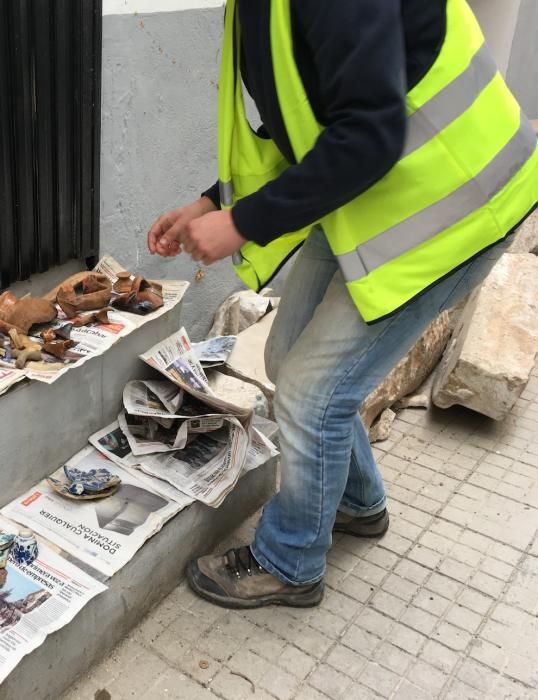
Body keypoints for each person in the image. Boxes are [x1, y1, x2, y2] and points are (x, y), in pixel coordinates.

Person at [148, 0, 538, 609]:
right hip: (378, 196)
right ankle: (357, 502)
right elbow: (306, 113)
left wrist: (245, 223)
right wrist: (212, 204)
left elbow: (368, 131)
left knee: (312, 393)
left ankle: (291, 560)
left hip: (459, 203)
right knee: (286, 359)